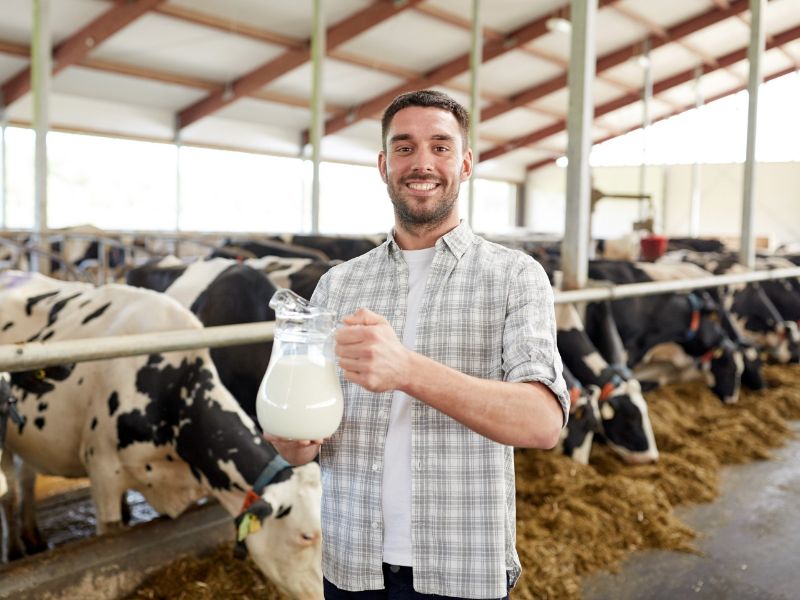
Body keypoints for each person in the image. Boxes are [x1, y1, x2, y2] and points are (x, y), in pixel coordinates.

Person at [266, 89, 569, 599]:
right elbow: (306, 444)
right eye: (404, 148)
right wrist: (294, 440)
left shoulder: (515, 276)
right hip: (351, 562)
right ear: (384, 165)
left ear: (466, 163)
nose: (422, 162)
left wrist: (407, 369)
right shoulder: (338, 286)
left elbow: (542, 423)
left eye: (441, 147)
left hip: (461, 565)